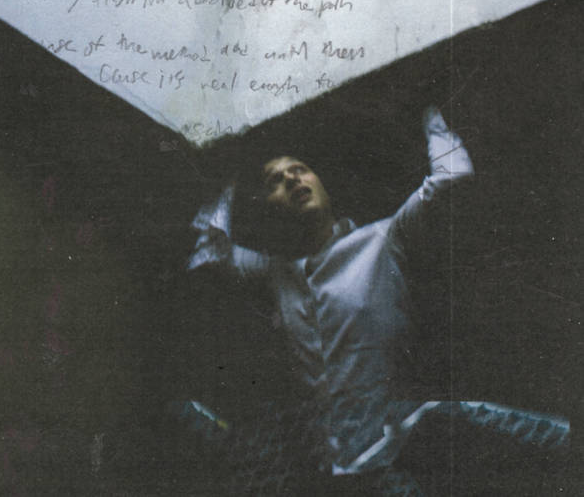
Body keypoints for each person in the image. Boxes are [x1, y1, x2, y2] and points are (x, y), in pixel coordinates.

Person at [186, 107, 568, 495]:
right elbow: (210, 250)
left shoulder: (383, 239)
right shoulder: (274, 272)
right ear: (268, 207)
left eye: (299, 169)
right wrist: (229, 169)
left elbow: (453, 176)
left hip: (402, 454)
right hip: (328, 475)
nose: (291, 178)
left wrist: (428, 110)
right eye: (274, 181)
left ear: (322, 184)